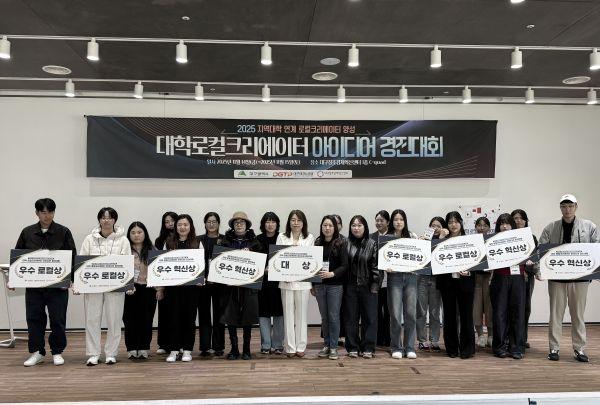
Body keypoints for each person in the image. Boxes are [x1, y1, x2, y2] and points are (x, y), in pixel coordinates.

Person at [14, 198, 76, 367]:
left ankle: (57, 351)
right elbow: (18, 257)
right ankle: (37, 352)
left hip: (57, 286)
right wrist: (14, 278)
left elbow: (72, 257)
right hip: (34, 286)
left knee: (58, 319)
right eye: (43, 212)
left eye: (50, 212)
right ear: (37, 213)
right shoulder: (27, 232)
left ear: (54, 212)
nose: (47, 216)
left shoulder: (63, 232)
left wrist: (70, 280)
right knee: (34, 318)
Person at [539, 194, 599, 362]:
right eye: (564, 206)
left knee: (578, 315)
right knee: (555, 315)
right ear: (560, 208)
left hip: (580, 280)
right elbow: (541, 250)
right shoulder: (551, 227)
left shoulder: (589, 226)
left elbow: (597, 249)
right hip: (557, 280)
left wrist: (595, 271)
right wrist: (539, 270)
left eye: (571, 206)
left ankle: (579, 348)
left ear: (576, 207)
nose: (567, 209)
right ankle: (554, 348)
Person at [79, 207, 132, 366]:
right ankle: (93, 353)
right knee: (92, 320)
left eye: (109, 217)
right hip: (93, 286)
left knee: (114, 320)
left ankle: (111, 353)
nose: (106, 220)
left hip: (115, 287)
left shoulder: (123, 240)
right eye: (103, 217)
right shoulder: (89, 239)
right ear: (99, 220)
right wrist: (79, 284)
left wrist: (128, 284)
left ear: (115, 220)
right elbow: (82, 262)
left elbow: (127, 264)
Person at [220, 211, 261, 360]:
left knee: (247, 318)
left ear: (246, 225)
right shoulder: (224, 242)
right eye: (236, 222)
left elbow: (261, 262)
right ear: (233, 225)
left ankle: (247, 349)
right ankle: (234, 349)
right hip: (230, 287)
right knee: (230, 317)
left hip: (249, 287)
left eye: (242, 222)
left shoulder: (255, 242)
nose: (239, 225)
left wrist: (251, 253)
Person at [436, 211, 475, 359]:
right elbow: (434, 258)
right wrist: (440, 238)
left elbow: (478, 260)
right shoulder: (441, 240)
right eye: (450, 222)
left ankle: (467, 348)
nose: (453, 225)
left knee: (466, 316)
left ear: (461, 223)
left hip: (465, 282)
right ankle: (451, 348)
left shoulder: (470, 240)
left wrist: (469, 271)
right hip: (447, 283)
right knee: (449, 316)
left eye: (456, 222)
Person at [164, 214, 202, 363]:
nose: (182, 227)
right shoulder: (168, 242)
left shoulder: (197, 242)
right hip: (173, 288)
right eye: (179, 225)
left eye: (185, 224)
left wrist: (200, 278)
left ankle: (187, 350)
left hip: (191, 288)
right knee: (173, 318)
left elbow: (202, 264)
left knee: (189, 318)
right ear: (176, 226)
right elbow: (162, 263)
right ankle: (174, 350)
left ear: (190, 226)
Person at [277, 209, 315, 357]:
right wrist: (283, 273)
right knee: (288, 315)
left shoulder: (309, 237)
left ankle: (301, 346)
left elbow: (311, 259)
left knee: (301, 315)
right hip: (286, 282)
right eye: (293, 220)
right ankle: (290, 347)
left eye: (299, 220)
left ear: (303, 223)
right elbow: (278, 258)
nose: (296, 223)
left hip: (303, 282)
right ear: (289, 222)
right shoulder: (282, 237)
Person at [344, 215, 382, 358]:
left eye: (359, 225)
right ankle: (352, 347)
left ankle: (368, 347)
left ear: (365, 227)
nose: (356, 228)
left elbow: (377, 267)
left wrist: (375, 286)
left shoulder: (372, 244)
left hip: (368, 286)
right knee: (351, 318)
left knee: (370, 318)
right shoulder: (346, 243)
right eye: (353, 225)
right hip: (350, 286)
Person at [489, 213, 526, 359]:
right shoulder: (492, 241)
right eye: (501, 224)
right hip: (500, 277)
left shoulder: (522, 238)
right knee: (499, 313)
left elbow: (531, 256)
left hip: (518, 278)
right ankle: (499, 346)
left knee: (518, 312)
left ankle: (516, 347)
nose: (504, 226)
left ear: (513, 225)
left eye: (507, 223)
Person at [384, 209, 419, 359]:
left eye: (401, 219)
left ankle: (410, 347)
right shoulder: (386, 239)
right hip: (395, 277)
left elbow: (420, 257)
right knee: (395, 315)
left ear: (405, 221)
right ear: (391, 222)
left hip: (411, 277)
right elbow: (382, 259)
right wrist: (385, 266)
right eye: (396, 219)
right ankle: (396, 347)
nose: (398, 222)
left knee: (411, 314)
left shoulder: (412, 236)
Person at [313, 215, 348, 360]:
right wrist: (313, 284)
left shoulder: (341, 243)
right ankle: (326, 345)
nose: (327, 228)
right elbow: (312, 265)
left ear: (335, 228)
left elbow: (345, 265)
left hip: (335, 286)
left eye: (330, 225)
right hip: (320, 286)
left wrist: (332, 273)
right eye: (325, 225)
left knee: (333, 317)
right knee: (324, 317)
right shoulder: (317, 242)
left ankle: (334, 347)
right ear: (321, 227)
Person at [123, 221, 158, 360]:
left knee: (146, 319)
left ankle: (144, 347)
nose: (136, 235)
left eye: (139, 232)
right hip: (129, 289)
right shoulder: (124, 249)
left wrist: (159, 289)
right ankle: (131, 347)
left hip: (148, 289)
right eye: (133, 233)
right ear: (129, 235)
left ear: (145, 234)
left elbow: (158, 272)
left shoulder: (152, 249)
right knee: (129, 319)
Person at [197, 212, 226, 357]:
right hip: (202, 283)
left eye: (214, 221)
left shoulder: (225, 240)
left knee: (219, 315)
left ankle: (218, 346)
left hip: (220, 283)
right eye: (208, 221)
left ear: (218, 223)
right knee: (204, 314)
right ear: (205, 224)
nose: (211, 224)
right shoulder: (198, 240)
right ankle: (205, 347)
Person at [256, 212, 284, 355]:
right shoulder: (257, 239)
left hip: (279, 282)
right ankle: (266, 344)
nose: (270, 224)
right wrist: (263, 269)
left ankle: (278, 344)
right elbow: (253, 261)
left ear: (277, 224)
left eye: (273, 222)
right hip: (263, 282)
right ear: (263, 224)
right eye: (267, 222)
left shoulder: (282, 238)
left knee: (279, 313)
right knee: (263, 313)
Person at [416, 216, 445, 352]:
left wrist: (442, 239)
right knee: (421, 311)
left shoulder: (445, 241)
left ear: (443, 228)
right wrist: (420, 243)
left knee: (434, 312)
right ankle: (422, 341)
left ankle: (434, 340)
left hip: (436, 279)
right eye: (433, 225)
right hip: (422, 278)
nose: (435, 228)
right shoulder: (424, 240)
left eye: (438, 226)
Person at [511, 208, 538, 349]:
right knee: (511, 308)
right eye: (515, 218)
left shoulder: (532, 237)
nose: (518, 220)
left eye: (521, 218)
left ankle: (522, 338)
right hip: (510, 277)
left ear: (526, 220)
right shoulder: (506, 237)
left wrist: (526, 271)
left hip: (527, 278)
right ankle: (511, 338)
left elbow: (535, 258)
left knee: (525, 308)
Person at [154, 211, 177, 355]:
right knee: (164, 313)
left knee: (177, 314)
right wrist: (159, 287)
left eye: (172, 221)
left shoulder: (184, 238)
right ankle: (163, 343)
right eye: (166, 222)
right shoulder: (159, 240)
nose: (170, 224)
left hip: (179, 281)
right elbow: (156, 262)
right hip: (164, 282)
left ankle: (178, 343)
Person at [370, 210, 391, 347]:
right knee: (376, 312)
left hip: (391, 281)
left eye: (382, 220)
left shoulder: (394, 237)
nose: (379, 223)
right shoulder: (370, 237)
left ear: (388, 222)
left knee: (389, 312)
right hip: (376, 282)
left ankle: (388, 339)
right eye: (377, 220)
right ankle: (378, 338)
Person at [473, 216, 493, 348]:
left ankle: (491, 335)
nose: (481, 228)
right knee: (476, 308)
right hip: (475, 278)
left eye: (484, 225)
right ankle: (480, 335)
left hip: (490, 277)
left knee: (490, 307)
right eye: (479, 225)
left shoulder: (493, 241)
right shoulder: (471, 241)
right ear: (475, 227)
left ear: (489, 228)